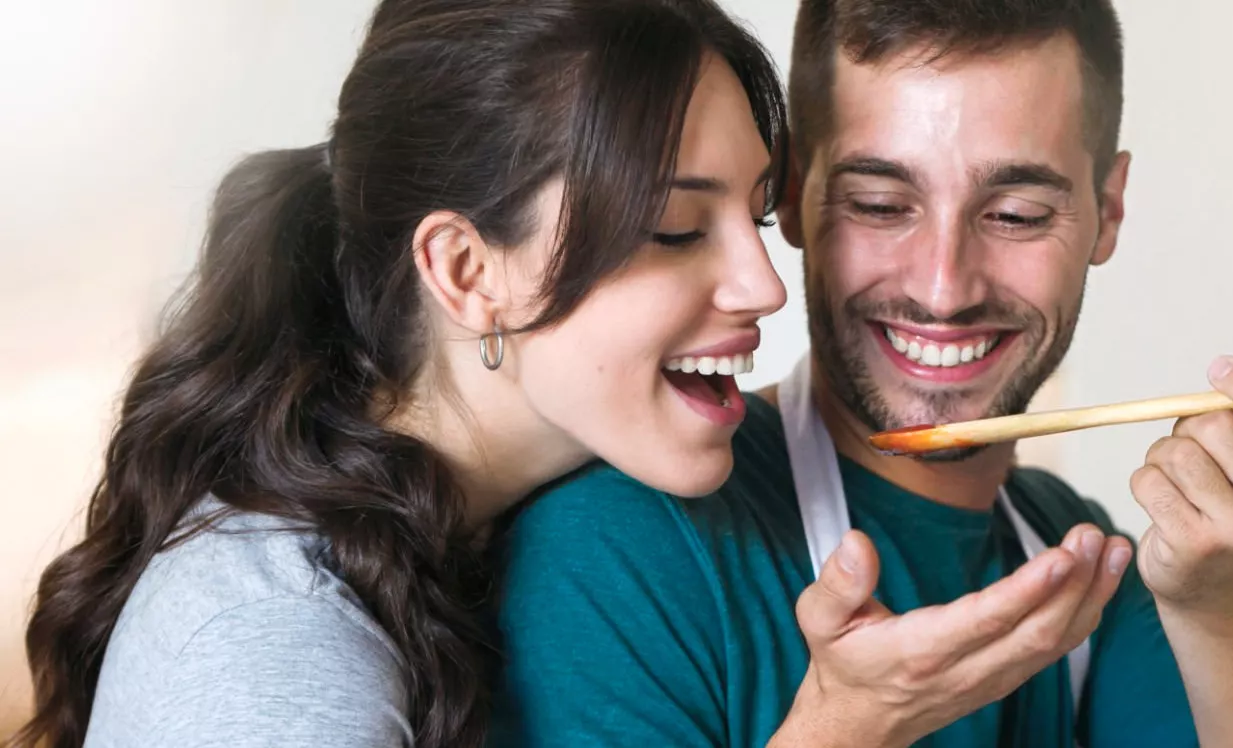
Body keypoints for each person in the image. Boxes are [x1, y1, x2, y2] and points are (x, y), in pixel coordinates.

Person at [493, 0, 1233, 746]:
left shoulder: (1083, 558)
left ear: (1107, 212)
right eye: (882, 205)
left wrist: (1223, 594)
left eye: (1017, 213)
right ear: (792, 191)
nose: (944, 288)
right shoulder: (621, 543)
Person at [6, 1, 791, 747]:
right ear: (466, 272)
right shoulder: (278, 649)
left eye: (755, 215)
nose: (766, 287)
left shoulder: (468, 530)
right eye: (676, 230)